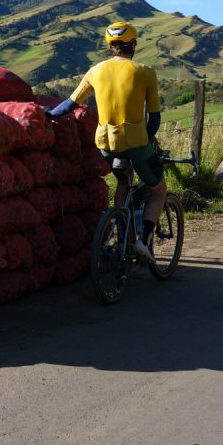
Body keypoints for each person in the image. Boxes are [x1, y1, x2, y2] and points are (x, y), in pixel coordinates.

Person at [47, 21, 164, 264]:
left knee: (123, 180)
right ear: (133, 44)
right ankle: (143, 241)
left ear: (110, 47)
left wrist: (48, 114)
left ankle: (121, 232)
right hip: (137, 144)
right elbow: (154, 118)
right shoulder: (145, 72)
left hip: (106, 145)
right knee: (158, 191)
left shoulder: (95, 71)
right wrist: (149, 141)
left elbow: (70, 104)